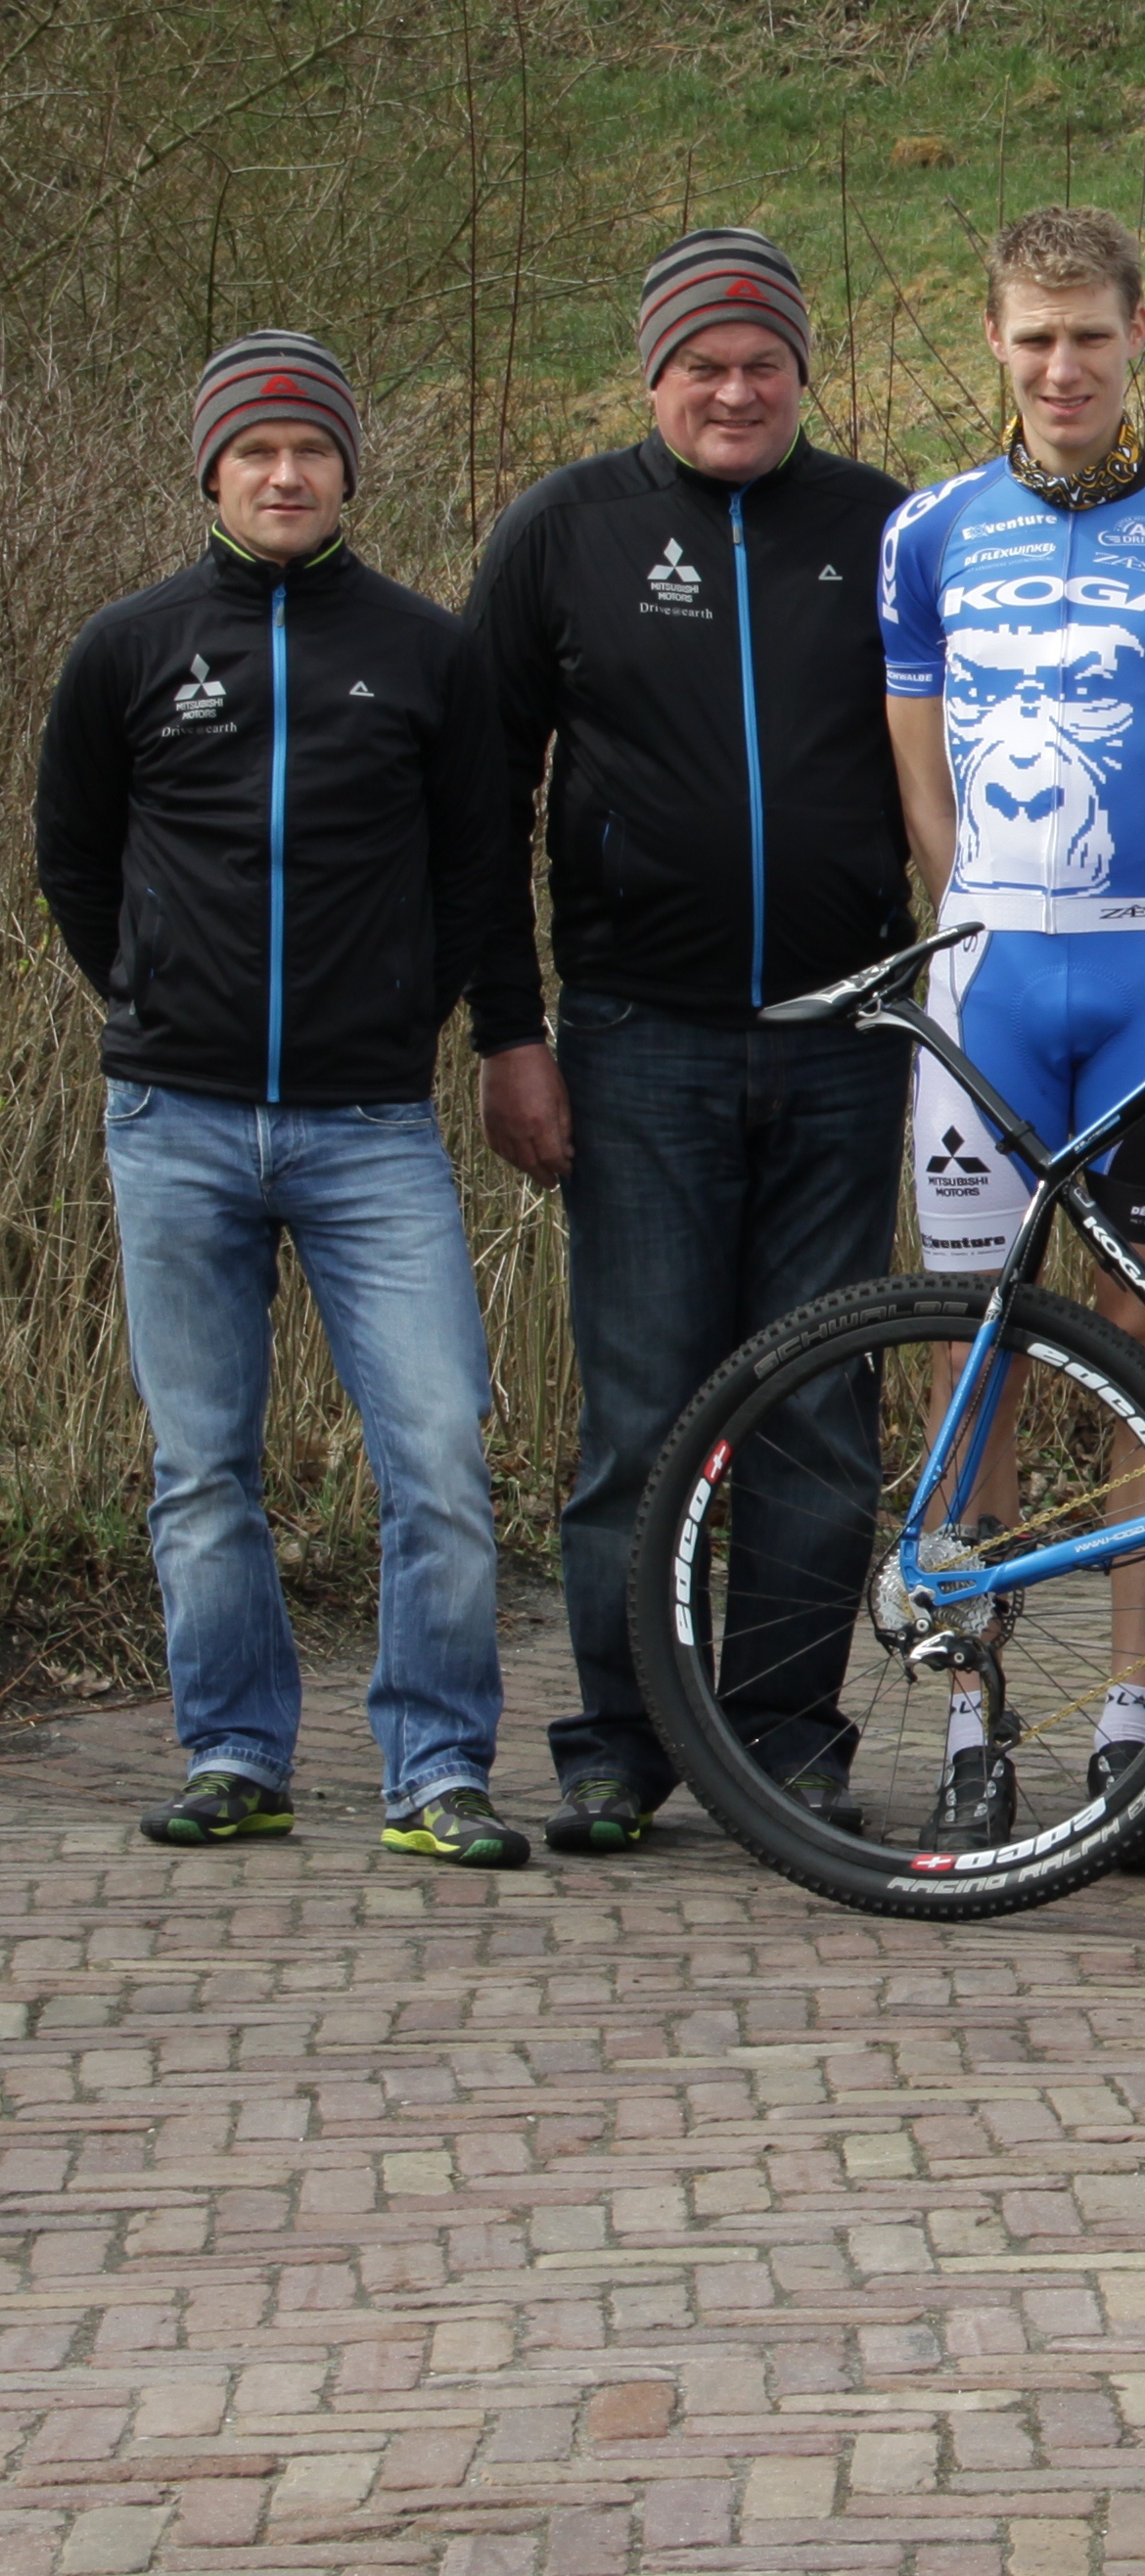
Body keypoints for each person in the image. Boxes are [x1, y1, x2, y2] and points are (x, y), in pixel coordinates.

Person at [33, 332, 548, 1868]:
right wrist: (148, 995)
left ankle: (436, 1768)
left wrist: (417, 1014)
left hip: (367, 1126)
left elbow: (477, 872)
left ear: (345, 472)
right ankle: (236, 1751)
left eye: (310, 449)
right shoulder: (127, 648)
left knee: (439, 1456)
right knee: (203, 1469)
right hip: (173, 1122)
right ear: (212, 471)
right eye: (255, 451)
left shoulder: (426, 651)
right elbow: (75, 857)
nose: (284, 474)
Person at [467, 226, 917, 1854]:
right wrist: (509, 1033)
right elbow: (480, 799)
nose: (735, 392)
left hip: (846, 1035)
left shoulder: (882, 528)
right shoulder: (563, 532)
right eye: (703, 367)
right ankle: (622, 1742)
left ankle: (786, 1736)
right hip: (633, 1040)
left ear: (803, 373)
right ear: (653, 377)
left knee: (816, 1406)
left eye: (763, 365)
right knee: (644, 1414)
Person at [878, 205, 1145, 1867]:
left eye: (1092, 337)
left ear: (1137, 339)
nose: (1064, 368)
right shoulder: (928, 531)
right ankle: (973, 1721)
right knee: (969, 1354)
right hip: (987, 986)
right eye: (1036, 338)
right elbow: (922, 781)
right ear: (995, 340)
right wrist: (970, 917)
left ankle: (1134, 1723)